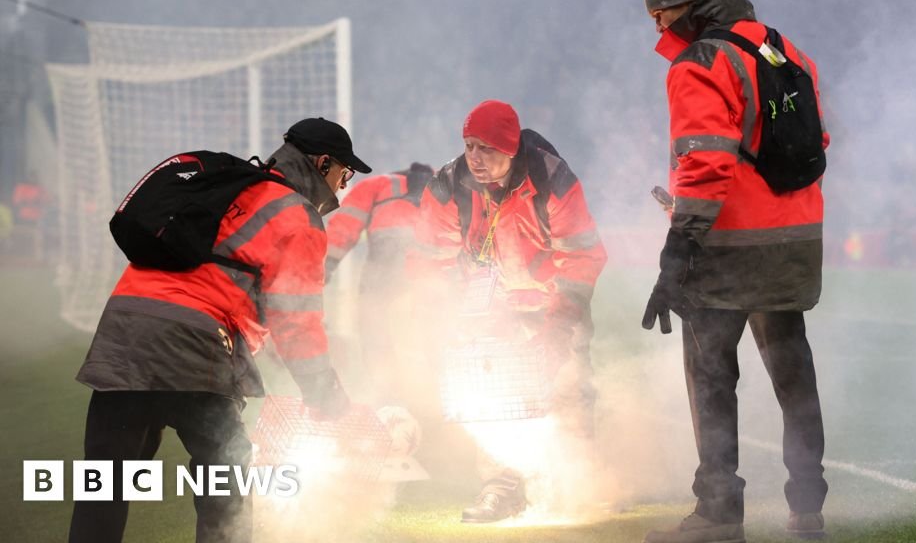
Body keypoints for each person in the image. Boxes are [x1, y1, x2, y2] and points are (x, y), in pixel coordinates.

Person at [69, 117, 372, 543]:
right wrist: (328, 399)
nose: (344, 186)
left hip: (124, 333)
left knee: (104, 484)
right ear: (323, 164)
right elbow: (297, 323)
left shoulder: (228, 185)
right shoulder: (298, 217)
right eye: (345, 172)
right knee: (224, 482)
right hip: (194, 346)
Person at [639, 0, 830, 542]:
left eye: (660, 14)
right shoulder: (782, 46)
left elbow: (706, 162)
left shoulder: (699, 61)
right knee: (793, 373)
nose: (657, 26)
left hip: (727, 247)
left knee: (711, 376)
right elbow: (816, 141)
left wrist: (677, 250)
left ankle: (719, 513)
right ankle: (808, 509)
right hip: (796, 240)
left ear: (688, 7)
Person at [413, 100, 607, 523]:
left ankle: (576, 480)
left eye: (486, 148)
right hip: (487, 306)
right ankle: (501, 487)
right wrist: (446, 321)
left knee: (568, 385)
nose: (475, 159)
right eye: (468, 146)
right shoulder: (447, 185)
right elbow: (430, 263)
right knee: (491, 395)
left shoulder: (552, 178)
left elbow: (582, 257)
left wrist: (557, 329)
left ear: (511, 147)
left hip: (551, 299)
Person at [324, 161, 434, 401]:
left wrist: (313, 278)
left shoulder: (377, 187)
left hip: (381, 287)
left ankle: (391, 406)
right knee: (432, 354)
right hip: (432, 289)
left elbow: (338, 235)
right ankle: (429, 410)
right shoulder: (452, 187)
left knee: (379, 354)